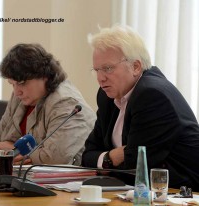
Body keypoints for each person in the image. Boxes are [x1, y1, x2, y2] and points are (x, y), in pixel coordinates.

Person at [82, 25, 199, 190]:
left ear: (136, 67)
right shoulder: (108, 96)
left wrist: (106, 161)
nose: (100, 78)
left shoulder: (152, 95)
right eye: (97, 70)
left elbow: (135, 168)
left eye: (108, 68)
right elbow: (87, 155)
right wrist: (111, 157)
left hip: (183, 194)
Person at [0, 43, 96, 166]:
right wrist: (6, 150)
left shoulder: (67, 103)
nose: (16, 91)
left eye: (22, 83)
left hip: (62, 182)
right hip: (21, 177)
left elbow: (54, 159)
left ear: (44, 75)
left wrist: (13, 150)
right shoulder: (20, 97)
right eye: (12, 84)